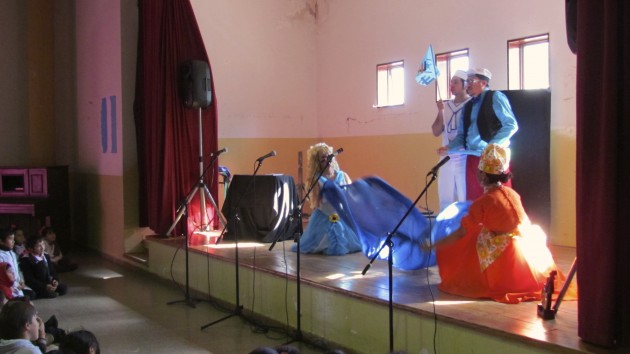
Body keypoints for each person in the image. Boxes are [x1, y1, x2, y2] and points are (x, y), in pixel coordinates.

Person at [428, 144, 574, 304]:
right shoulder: (512, 193)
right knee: (481, 232)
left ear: (482, 176)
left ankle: (481, 279)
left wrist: (437, 245)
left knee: (469, 240)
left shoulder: (484, 201)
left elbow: (461, 232)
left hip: (508, 256)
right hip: (531, 248)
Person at [438, 68, 518, 201]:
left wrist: (491, 146)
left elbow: (511, 125)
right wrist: (449, 147)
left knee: (496, 199)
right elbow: (461, 136)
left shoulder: (495, 97)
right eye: (467, 81)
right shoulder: (468, 106)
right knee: (475, 199)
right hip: (473, 158)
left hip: (493, 159)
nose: (467, 84)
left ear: (483, 83)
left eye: (471, 81)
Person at [292, 142, 362, 255]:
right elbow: (316, 203)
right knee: (321, 242)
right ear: (317, 163)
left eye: (329, 157)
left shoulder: (343, 176)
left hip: (341, 216)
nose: (327, 160)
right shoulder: (317, 180)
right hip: (324, 217)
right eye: (323, 159)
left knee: (351, 240)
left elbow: (351, 197)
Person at [430, 70, 471, 211]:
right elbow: (436, 131)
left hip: (464, 158)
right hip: (446, 158)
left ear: (465, 85)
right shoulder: (446, 105)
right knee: (445, 198)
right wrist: (440, 111)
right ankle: (446, 230)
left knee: (464, 197)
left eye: (456, 82)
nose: (451, 85)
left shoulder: (471, 104)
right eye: (451, 82)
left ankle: (466, 229)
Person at [0, 228, 35, 299]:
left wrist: (21, 280)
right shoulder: (1, 255)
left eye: (13, 239)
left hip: (17, 284)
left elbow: (18, 269)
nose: (13, 241)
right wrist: (12, 286)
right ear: (1, 241)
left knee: (31, 294)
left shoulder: (13, 253)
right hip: (8, 286)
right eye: (10, 239)